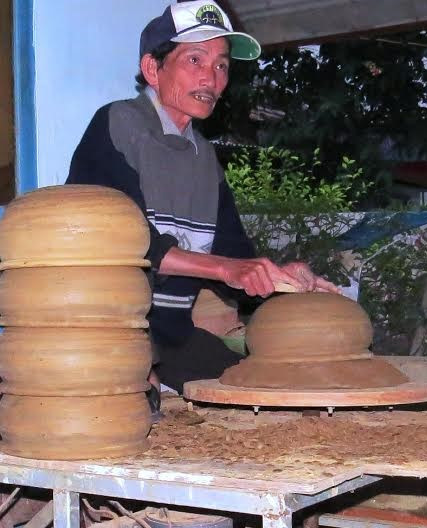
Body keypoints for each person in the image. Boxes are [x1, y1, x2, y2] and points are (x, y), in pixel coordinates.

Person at [66, 1, 337, 401]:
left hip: (169, 336)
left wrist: (282, 278)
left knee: (266, 395)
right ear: (152, 69)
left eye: (222, 65)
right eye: (195, 59)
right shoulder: (120, 124)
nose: (211, 77)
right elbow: (128, 243)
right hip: (108, 328)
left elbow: (234, 259)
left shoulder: (205, 158)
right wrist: (229, 268)